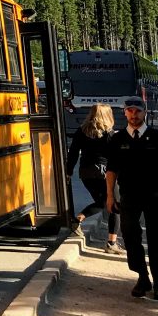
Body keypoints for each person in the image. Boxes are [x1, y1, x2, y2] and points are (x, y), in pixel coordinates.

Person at [105, 95, 158, 301]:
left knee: (157, 237)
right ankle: (142, 276)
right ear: (125, 113)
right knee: (130, 236)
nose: (134, 114)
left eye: (137, 110)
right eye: (130, 110)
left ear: (144, 112)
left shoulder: (157, 137)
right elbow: (111, 169)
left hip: (155, 195)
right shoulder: (118, 139)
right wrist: (110, 195)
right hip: (129, 195)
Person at [66, 104, 122, 253]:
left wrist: (68, 171)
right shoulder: (109, 134)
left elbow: (72, 153)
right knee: (114, 206)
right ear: (107, 116)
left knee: (102, 202)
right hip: (105, 174)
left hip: (86, 173)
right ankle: (111, 243)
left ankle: (77, 220)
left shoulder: (81, 131)